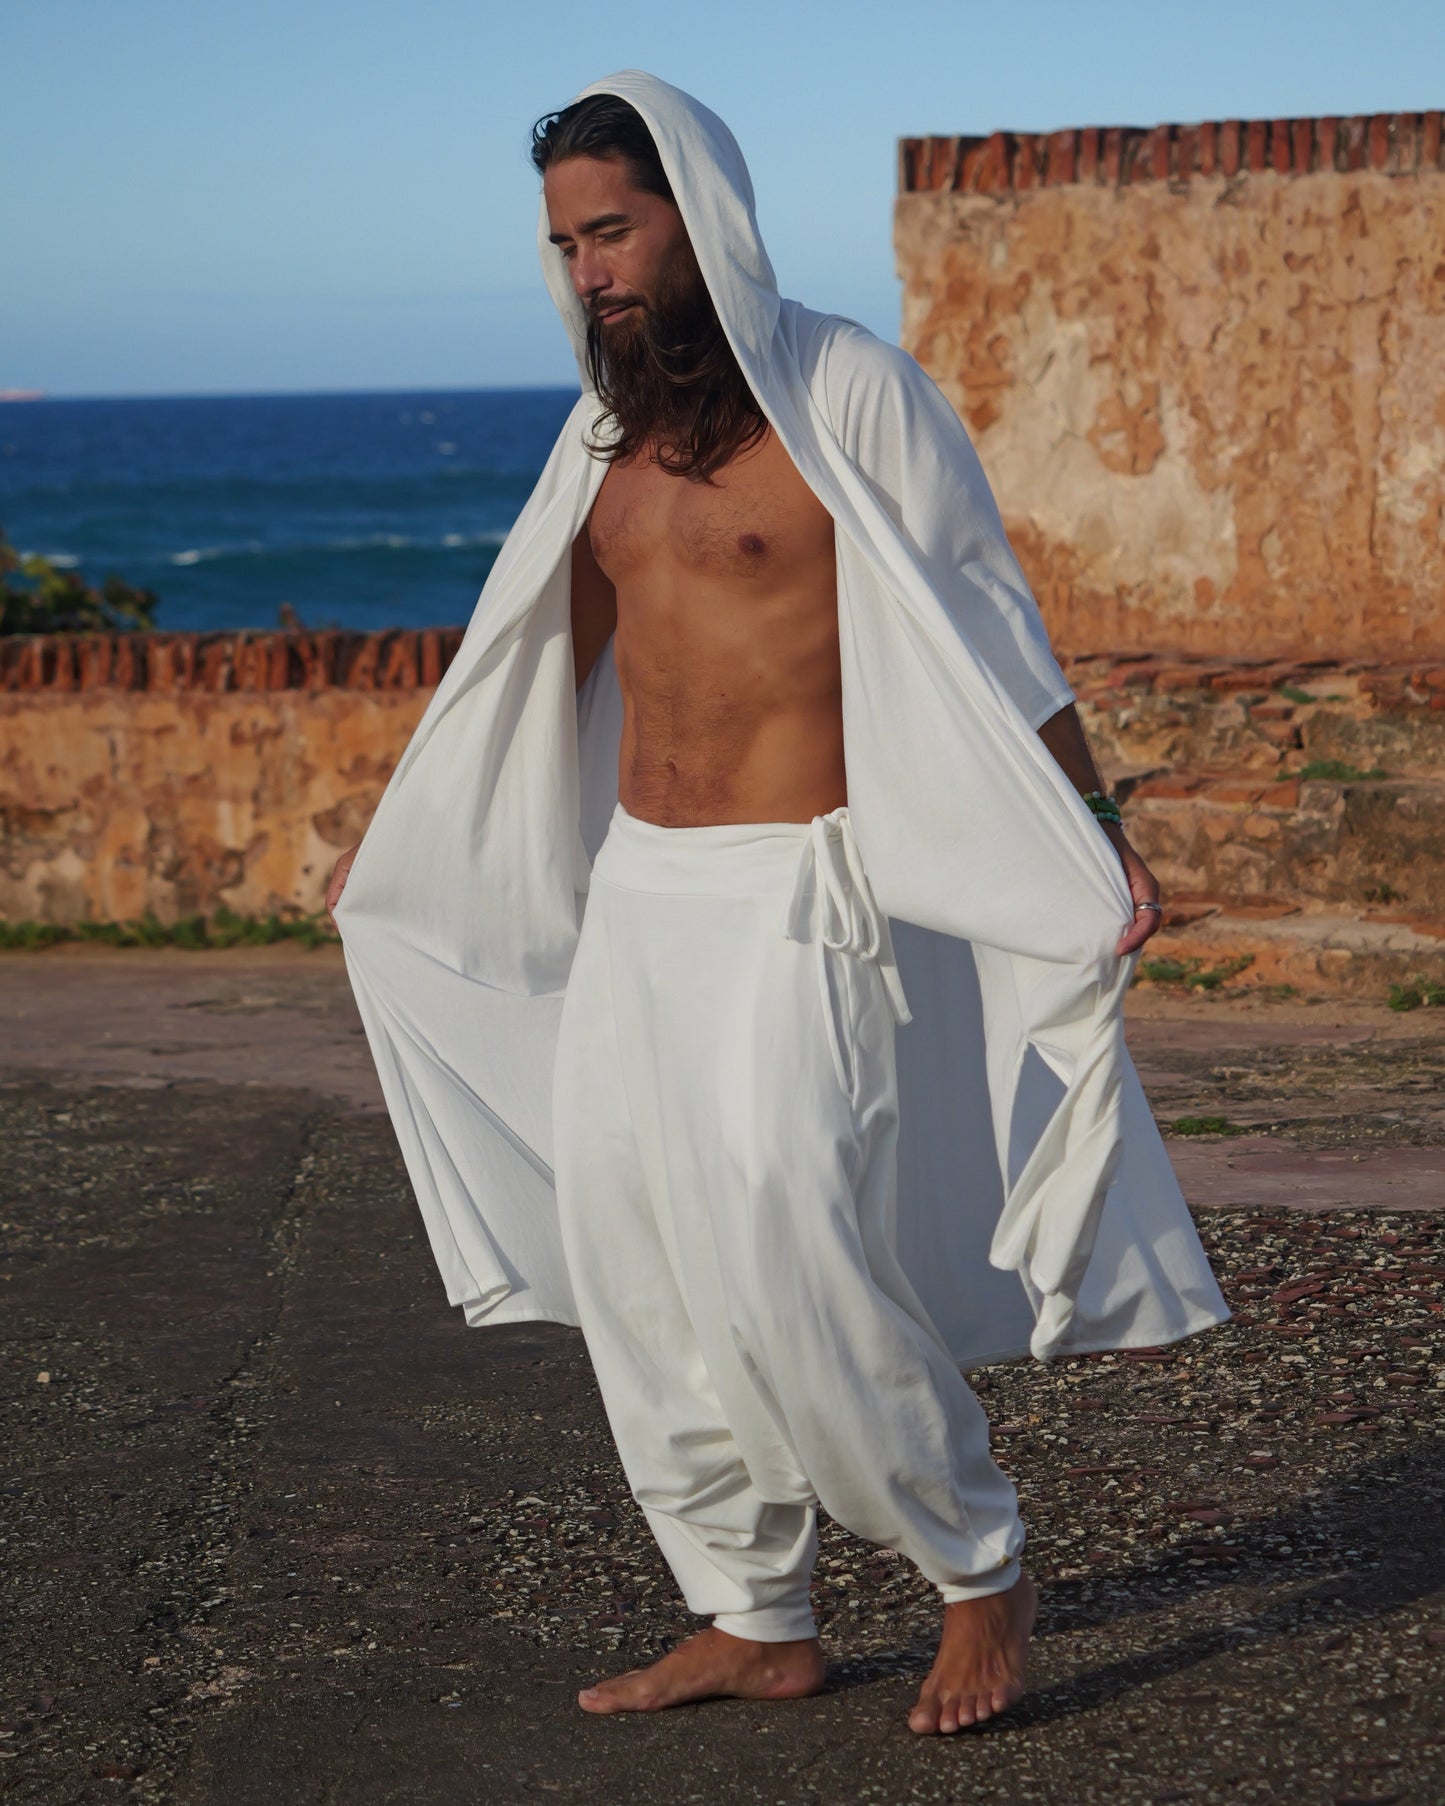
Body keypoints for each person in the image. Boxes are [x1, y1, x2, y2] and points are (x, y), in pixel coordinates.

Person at [325, 72, 1228, 1737]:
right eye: (563, 244)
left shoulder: (852, 395)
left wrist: (1091, 827)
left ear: (700, 215)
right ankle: (753, 1610)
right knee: (643, 1256)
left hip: (803, 891)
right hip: (641, 892)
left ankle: (977, 1567)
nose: (588, 270)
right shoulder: (600, 429)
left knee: (790, 1241)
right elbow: (537, 659)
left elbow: (986, 629)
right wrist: (421, 837)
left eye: (613, 229)